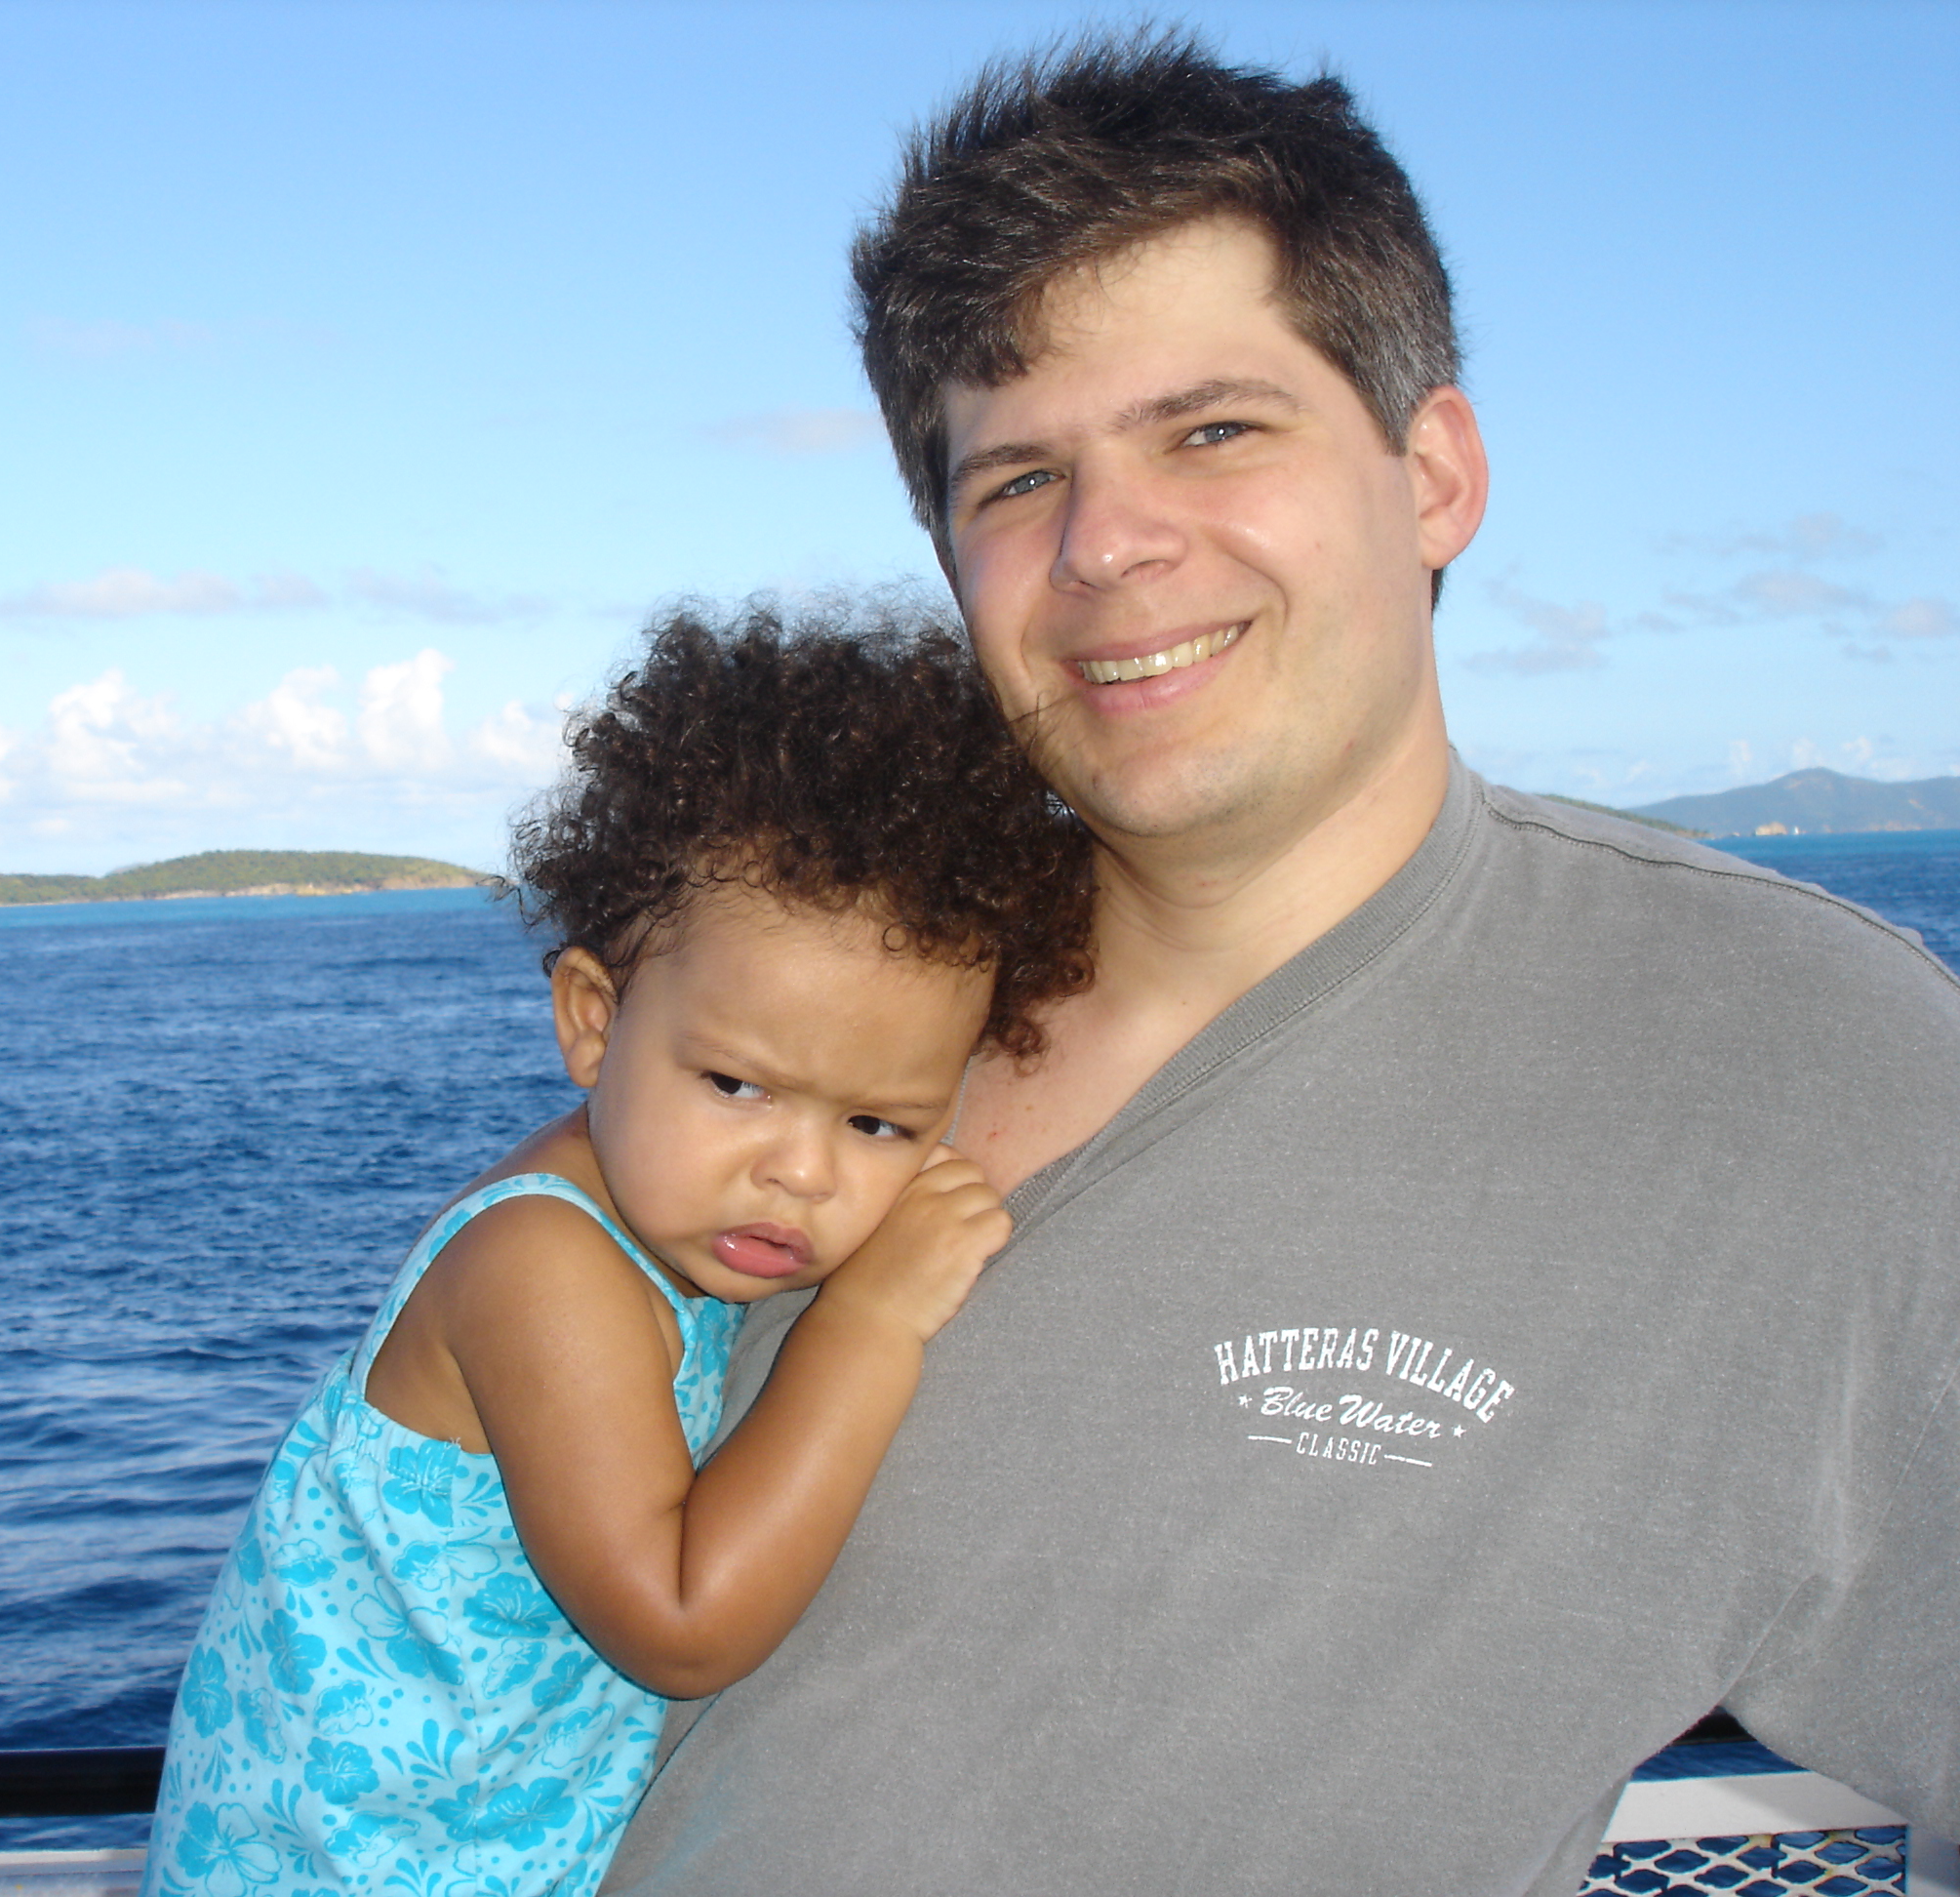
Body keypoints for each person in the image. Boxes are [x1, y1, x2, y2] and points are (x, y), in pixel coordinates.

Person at [605, 28, 1960, 1895]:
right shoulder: (835, 992)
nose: (1106, 545)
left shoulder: (1816, 1075)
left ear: (1436, 475)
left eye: (1214, 431)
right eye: (1016, 481)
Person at [140, 600, 1094, 1897]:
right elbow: (680, 1624)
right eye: (737, 1086)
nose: (802, 1171)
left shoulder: (664, 1207)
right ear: (594, 1022)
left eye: (878, 1123)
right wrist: (868, 1323)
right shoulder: (543, 1266)